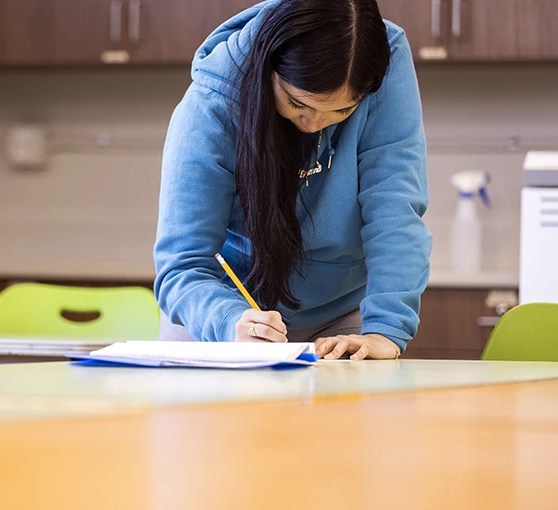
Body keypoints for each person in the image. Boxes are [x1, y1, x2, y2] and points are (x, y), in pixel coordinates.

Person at [154, 0, 432, 361]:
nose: (314, 124)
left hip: (342, 316)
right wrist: (228, 320)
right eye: (297, 103)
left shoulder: (386, 63)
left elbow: (395, 210)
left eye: (342, 110)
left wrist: (385, 329)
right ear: (269, 65)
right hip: (221, 312)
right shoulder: (209, 107)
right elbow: (182, 265)